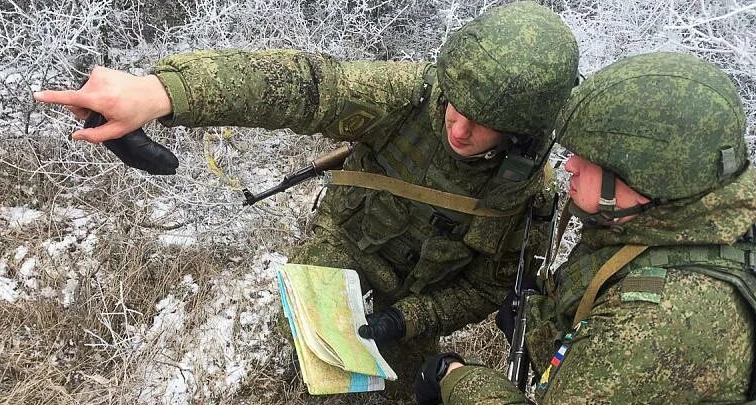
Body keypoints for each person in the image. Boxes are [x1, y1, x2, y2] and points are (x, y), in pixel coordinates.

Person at [33, 2, 579, 376]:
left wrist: (410, 320)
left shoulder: (531, 194)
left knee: (394, 384)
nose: (458, 130)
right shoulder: (410, 95)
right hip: (347, 241)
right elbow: (305, 87)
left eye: (482, 124)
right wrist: (162, 92)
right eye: (455, 108)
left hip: (419, 296)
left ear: (524, 129)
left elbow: (487, 290)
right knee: (303, 346)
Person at [407, 52, 756, 405]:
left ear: (643, 182)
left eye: (589, 161)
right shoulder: (694, 216)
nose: (568, 164)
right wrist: (541, 320)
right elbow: (598, 334)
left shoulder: (669, 311)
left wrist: (456, 376)